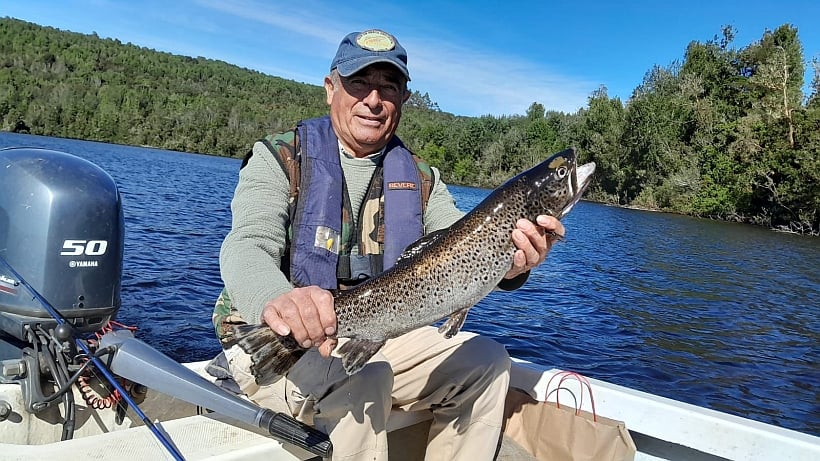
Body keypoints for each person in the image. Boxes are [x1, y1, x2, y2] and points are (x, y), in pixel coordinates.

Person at [212, 29, 565, 460]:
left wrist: (513, 264)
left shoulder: (421, 178)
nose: (373, 100)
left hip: (371, 333)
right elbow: (246, 245)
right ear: (331, 88)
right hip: (276, 338)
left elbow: (467, 242)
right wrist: (278, 301)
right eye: (359, 82)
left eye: (389, 87)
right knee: (365, 381)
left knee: (487, 361)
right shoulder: (279, 157)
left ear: (404, 98)